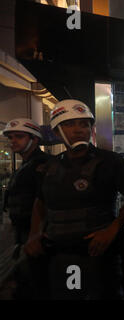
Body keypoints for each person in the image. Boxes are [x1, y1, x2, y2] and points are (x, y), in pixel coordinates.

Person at [24, 99, 124, 300]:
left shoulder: (110, 161)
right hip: (60, 256)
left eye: (84, 124)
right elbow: (40, 202)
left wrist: (113, 229)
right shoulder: (48, 168)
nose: (79, 130)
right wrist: (34, 234)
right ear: (57, 131)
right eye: (70, 124)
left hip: (101, 257)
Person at [2, 118, 52, 299]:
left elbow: (46, 202)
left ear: (35, 139)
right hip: (23, 235)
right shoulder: (25, 166)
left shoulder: (43, 164)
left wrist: (37, 234)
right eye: (11, 137)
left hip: (36, 238)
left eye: (19, 136)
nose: (13, 140)